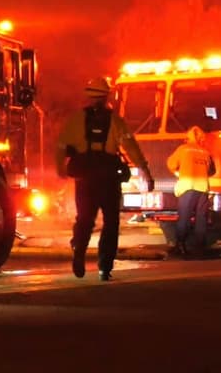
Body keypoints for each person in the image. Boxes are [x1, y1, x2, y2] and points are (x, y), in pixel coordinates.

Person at [56, 77, 154, 281]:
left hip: (85, 177)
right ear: (107, 96)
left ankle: (79, 249)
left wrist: (60, 169)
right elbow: (131, 146)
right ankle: (105, 267)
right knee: (111, 222)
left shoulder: (75, 120)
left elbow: (61, 146)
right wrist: (144, 170)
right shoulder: (116, 120)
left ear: (88, 96)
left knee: (84, 219)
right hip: (109, 178)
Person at [167, 125, 215, 257]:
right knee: (201, 218)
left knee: (184, 216)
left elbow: (171, 164)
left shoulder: (184, 149)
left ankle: (180, 245)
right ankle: (201, 247)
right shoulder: (205, 152)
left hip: (188, 186)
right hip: (203, 187)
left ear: (188, 137)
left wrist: (178, 171)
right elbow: (212, 171)